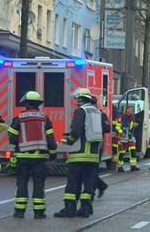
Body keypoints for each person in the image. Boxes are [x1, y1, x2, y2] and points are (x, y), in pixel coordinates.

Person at [54, 88, 103, 218]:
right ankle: (86, 208)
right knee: (88, 182)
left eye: (77, 99)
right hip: (93, 155)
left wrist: (68, 141)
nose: (76, 101)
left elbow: (76, 131)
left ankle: (69, 208)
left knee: (73, 183)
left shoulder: (81, 111)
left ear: (80, 99)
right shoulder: (96, 111)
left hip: (79, 153)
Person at [7, 91, 57, 219]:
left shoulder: (19, 118)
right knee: (39, 184)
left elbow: (12, 139)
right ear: (38, 104)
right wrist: (52, 155)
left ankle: (19, 212)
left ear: (27, 104)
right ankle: (39, 213)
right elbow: (51, 142)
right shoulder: (45, 118)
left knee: (22, 183)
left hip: (22, 159)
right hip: (39, 159)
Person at [116, 106, 140, 172]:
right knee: (121, 152)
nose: (130, 111)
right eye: (129, 110)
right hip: (123, 137)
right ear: (126, 110)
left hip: (130, 137)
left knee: (133, 151)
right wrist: (121, 133)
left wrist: (136, 124)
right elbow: (117, 126)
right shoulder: (121, 117)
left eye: (131, 110)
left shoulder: (133, 117)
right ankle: (119, 167)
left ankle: (133, 166)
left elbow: (133, 125)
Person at [111, 104, 121, 169]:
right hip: (113, 132)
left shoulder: (116, 113)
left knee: (115, 148)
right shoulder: (115, 111)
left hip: (115, 132)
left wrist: (110, 122)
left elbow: (118, 123)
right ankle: (114, 163)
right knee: (114, 148)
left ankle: (114, 163)